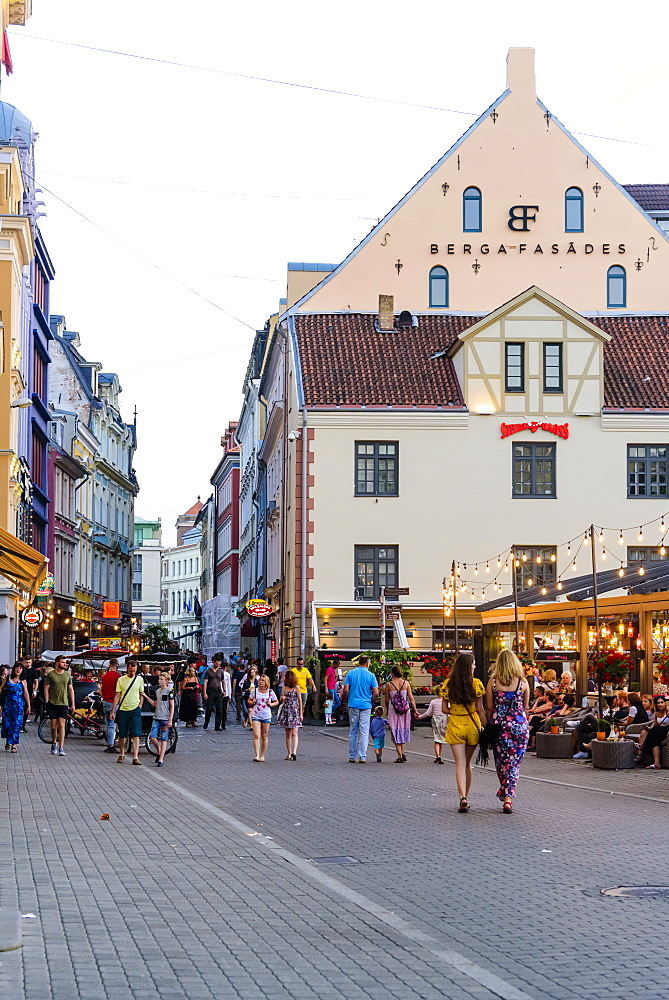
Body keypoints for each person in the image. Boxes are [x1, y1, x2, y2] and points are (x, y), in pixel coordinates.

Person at [485, 650, 530, 814]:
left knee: (501, 762)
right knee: (514, 763)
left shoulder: (493, 682)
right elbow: (525, 707)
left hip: (499, 726)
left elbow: (489, 707)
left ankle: (505, 793)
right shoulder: (523, 682)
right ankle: (508, 797)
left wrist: (488, 723)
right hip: (519, 726)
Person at [442, 651, 486, 812]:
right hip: (472, 724)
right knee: (468, 764)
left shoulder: (448, 684)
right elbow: (480, 709)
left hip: (455, 724)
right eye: (473, 664)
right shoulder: (476, 684)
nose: (475, 666)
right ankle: (467, 795)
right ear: (469, 667)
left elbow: (443, 709)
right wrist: (487, 726)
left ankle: (462, 797)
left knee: (459, 764)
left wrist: (455, 710)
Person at [342, 656, 379, 764]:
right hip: (366, 705)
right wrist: (372, 701)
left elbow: (345, 690)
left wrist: (347, 699)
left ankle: (352, 756)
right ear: (367, 664)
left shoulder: (350, 673)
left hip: (353, 704)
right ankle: (362, 756)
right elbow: (376, 692)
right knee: (364, 731)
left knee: (353, 731)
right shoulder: (371, 675)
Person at [111, 659, 147, 765]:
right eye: (131, 671)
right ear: (127, 669)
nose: (132, 673)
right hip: (123, 709)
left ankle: (135, 757)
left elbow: (141, 693)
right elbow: (117, 695)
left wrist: (140, 705)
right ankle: (121, 754)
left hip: (135, 709)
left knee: (136, 734)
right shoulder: (121, 680)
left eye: (134, 671)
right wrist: (113, 710)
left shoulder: (139, 679)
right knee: (122, 734)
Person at [384, 665, 417, 763]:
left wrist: (387, 709)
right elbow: (411, 698)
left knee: (395, 731)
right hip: (405, 710)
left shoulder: (389, 685)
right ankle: (402, 752)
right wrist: (415, 710)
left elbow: (386, 700)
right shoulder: (406, 683)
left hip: (393, 710)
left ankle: (400, 755)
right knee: (402, 730)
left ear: (392, 673)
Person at [44, 655, 75, 757]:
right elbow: (46, 689)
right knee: (53, 726)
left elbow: (70, 689)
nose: (65, 664)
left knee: (62, 724)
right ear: (57, 663)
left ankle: (61, 747)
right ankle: (54, 742)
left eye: (65, 662)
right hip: (52, 703)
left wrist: (73, 703)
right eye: (63, 662)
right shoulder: (51, 674)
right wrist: (47, 701)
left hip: (63, 703)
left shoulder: (67, 675)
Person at [143, 672, 175, 766]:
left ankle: (161, 758)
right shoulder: (158, 691)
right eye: (159, 679)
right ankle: (160, 751)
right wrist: (145, 696)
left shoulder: (169, 691)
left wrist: (170, 719)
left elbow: (172, 706)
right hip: (156, 716)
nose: (159, 681)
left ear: (166, 681)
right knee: (153, 737)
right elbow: (154, 703)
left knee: (164, 738)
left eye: (161, 679)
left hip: (165, 717)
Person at [247, 673, 278, 762]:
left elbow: (276, 701)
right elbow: (249, 700)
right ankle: (257, 755)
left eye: (262, 680)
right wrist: (252, 701)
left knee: (264, 735)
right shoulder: (255, 691)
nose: (260, 682)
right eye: (260, 680)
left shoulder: (270, 692)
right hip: (256, 714)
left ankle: (262, 755)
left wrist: (271, 704)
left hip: (266, 715)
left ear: (266, 682)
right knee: (256, 735)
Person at [633, 695, 669, 768]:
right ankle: (657, 763)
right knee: (647, 733)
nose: (660, 704)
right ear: (655, 704)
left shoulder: (668, 709)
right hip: (659, 731)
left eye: (662, 702)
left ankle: (642, 747)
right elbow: (655, 725)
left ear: (665, 703)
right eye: (658, 703)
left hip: (667, 730)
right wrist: (650, 728)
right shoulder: (657, 714)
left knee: (656, 730)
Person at [1, 664, 30, 751]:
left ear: (22, 670)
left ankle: (14, 744)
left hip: (18, 706)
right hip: (8, 705)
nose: (18, 670)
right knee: (7, 724)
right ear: (14, 669)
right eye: (17, 668)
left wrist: (28, 705)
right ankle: (8, 741)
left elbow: (26, 693)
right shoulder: (8, 678)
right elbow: (1, 688)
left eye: (20, 668)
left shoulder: (23, 681)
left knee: (16, 724)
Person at [276, 669, 303, 760]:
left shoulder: (296, 687)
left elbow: (300, 700)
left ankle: (293, 752)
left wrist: (301, 713)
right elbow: (280, 699)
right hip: (287, 710)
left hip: (293, 711)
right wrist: (282, 698)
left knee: (293, 733)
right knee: (289, 733)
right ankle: (290, 753)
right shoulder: (284, 687)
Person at [416, 691, 449, 763]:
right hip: (444, 720)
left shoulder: (433, 702)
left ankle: (438, 756)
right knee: (441, 738)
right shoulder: (447, 702)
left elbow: (428, 713)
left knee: (437, 738)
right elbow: (449, 712)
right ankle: (439, 755)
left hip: (436, 720)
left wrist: (420, 717)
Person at [99, 658, 122, 753]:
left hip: (106, 702)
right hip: (115, 703)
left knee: (109, 724)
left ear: (109, 665)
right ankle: (111, 745)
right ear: (117, 666)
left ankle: (110, 743)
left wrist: (104, 697)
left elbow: (101, 690)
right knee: (113, 725)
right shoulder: (119, 677)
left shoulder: (105, 677)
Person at [203, 656, 227, 731]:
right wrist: (204, 693)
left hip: (218, 691)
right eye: (216, 663)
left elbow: (223, 681)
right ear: (213, 662)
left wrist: (224, 690)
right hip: (210, 690)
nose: (218, 665)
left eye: (219, 664)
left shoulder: (220, 671)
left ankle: (217, 725)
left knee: (219, 709)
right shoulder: (208, 671)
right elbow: (205, 682)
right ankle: (207, 721)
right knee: (209, 708)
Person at [240, 663, 259, 728]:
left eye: (254, 672)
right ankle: (251, 724)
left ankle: (250, 721)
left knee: (253, 711)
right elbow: (243, 689)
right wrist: (247, 689)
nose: (253, 673)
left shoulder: (257, 681)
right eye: (251, 672)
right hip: (248, 697)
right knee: (249, 710)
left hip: (255, 698)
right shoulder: (246, 681)